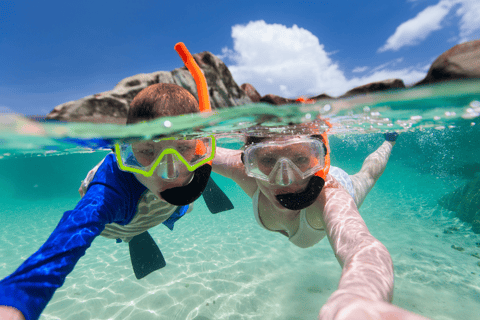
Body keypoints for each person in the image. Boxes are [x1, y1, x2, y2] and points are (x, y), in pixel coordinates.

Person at [0, 44, 217, 320]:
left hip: (159, 208)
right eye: (147, 152)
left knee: (182, 205)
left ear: (199, 146)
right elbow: (72, 233)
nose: (168, 172)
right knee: (146, 211)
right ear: (126, 150)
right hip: (118, 223)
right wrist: (17, 301)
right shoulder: (111, 192)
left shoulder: (198, 157)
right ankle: (136, 233)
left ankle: (169, 212)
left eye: (184, 149)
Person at [212, 124, 430, 320]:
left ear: (320, 157)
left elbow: (361, 246)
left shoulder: (331, 198)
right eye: (268, 160)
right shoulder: (243, 171)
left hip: (335, 183)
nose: (285, 179)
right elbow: (198, 151)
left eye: (300, 159)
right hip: (310, 174)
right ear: (249, 161)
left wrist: (358, 298)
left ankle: (389, 140)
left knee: (368, 174)